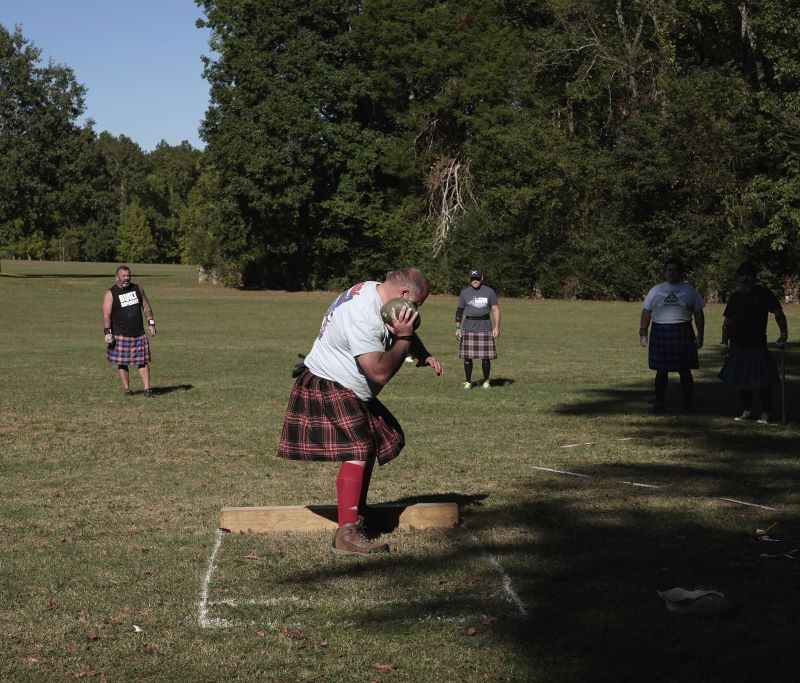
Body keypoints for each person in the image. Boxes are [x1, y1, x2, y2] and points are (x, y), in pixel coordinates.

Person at [277, 268, 443, 556]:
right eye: (416, 304)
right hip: (329, 382)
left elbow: (399, 322)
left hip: (346, 385)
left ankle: (355, 514)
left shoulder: (373, 289)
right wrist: (404, 339)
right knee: (358, 447)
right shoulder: (362, 316)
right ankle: (346, 533)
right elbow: (378, 372)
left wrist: (421, 351)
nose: (415, 310)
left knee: (377, 442)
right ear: (403, 295)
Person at [718, 261, 788, 424]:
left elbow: (779, 313)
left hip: (757, 344)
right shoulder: (735, 297)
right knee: (741, 381)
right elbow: (728, 322)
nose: (745, 278)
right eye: (742, 275)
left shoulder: (764, 294)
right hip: (738, 344)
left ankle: (766, 413)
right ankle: (747, 410)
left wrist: (783, 333)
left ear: (754, 277)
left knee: (762, 381)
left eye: (748, 275)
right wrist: (723, 343)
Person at [639, 259, 705, 413]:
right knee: (661, 370)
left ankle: (689, 404)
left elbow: (698, 313)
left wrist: (700, 335)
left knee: (685, 370)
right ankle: (659, 403)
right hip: (660, 331)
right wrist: (643, 333)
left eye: (675, 270)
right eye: (669, 269)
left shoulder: (689, 290)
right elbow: (646, 311)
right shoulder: (655, 290)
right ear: (664, 271)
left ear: (680, 272)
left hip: (682, 331)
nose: (672, 273)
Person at [102, 265, 157, 397]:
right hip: (120, 333)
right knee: (122, 363)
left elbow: (146, 307)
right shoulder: (111, 293)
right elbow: (106, 315)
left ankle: (147, 389)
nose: (127, 278)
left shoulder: (137, 289)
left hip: (139, 333)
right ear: (117, 277)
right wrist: (107, 332)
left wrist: (151, 323)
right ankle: (127, 389)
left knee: (142, 362)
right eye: (124, 276)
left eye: (128, 276)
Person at [455, 269, 501, 389]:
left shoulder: (489, 292)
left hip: (485, 326)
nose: (475, 281)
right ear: (469, 280)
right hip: (468, 327)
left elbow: (495, 309)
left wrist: (497, 327)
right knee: (467, 357)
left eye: (477, 278)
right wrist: (458, 327)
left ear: (482, 278)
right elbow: (459, 311)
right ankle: (468, 381)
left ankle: (486, 381)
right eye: (472, 278)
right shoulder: (464, 293)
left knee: (486, 357)